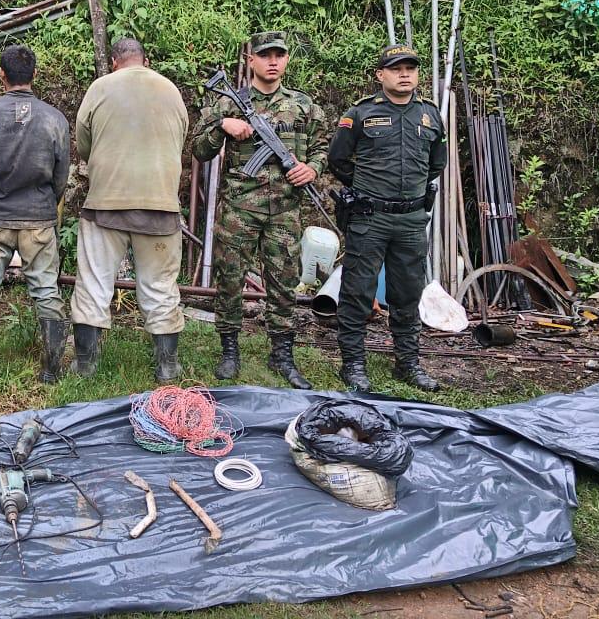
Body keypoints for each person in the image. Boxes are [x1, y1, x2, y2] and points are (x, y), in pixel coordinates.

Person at [191, 31, 327, 389]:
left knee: (283, 283)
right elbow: (199, 151)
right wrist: (221, 126)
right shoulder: (228, 103)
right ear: (250, 60)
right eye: (265, 55)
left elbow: (323, 147)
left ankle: (281, 353)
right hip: (239, 208)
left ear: (286, 60)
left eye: (279, 55)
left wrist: (312, 169)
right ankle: (229, 349)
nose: (272, 61)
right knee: (230, 279)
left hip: (285, 209)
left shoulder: (303, 105)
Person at [327, 42, 447, 393]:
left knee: (408, 293)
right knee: (357, 292)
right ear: (381, 75)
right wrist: (368, 188)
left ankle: (408, 363)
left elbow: (436, 164)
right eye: (396, 68)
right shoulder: (361, 114)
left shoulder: (430, 114)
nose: (404, 73)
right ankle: (353, 364)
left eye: (410, 67)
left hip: (411, 221)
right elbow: (339, 160)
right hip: (370, 217)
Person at [70, 37, 188, 382]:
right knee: (160, 285)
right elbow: (179, 139)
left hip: (106, 205)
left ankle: (86, 365)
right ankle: (167, 366)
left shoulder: (100, 87)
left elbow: (84, 143)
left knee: (93, 282)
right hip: (160, 207)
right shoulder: (170, 89)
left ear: (113, 61)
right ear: (145, 60)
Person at [0, 45, 70, 382]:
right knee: (46, 290)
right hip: (38, 218)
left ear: (1, 75)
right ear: (34, 75)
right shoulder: (55, 119)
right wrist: (45, 204)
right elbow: (60, 175)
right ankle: (51, 371)